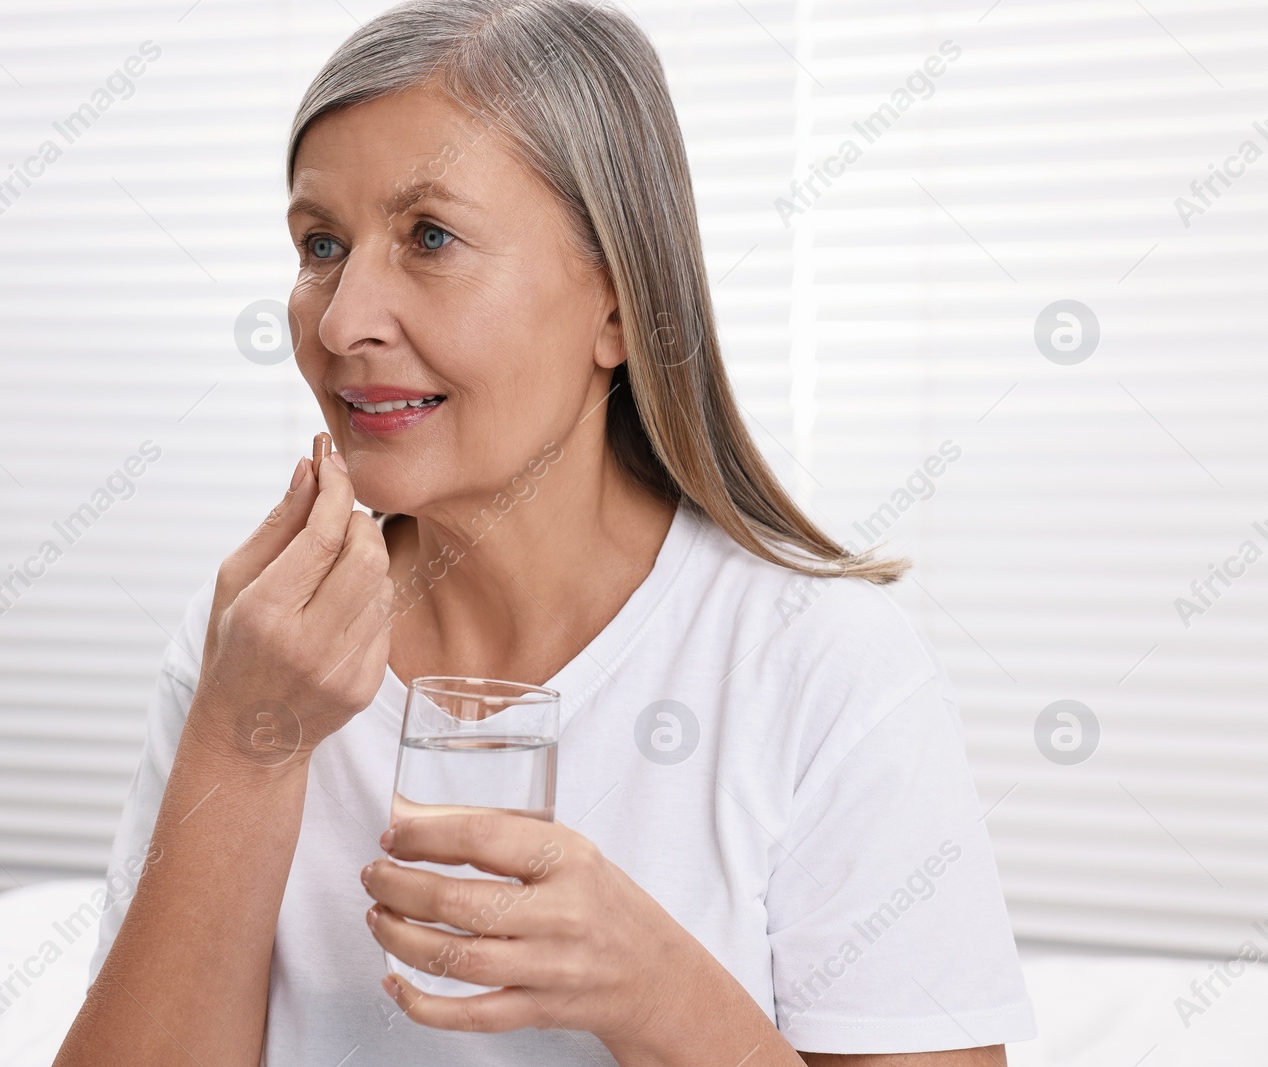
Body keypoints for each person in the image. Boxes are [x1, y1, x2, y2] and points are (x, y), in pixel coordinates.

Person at [54, 1, 1035, 1063]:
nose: (341, 322)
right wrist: (244, 747)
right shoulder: (263, 646)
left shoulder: (815, 660)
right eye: (320, 245)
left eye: (430, 237)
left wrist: (652, 987)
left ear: (618, 306)